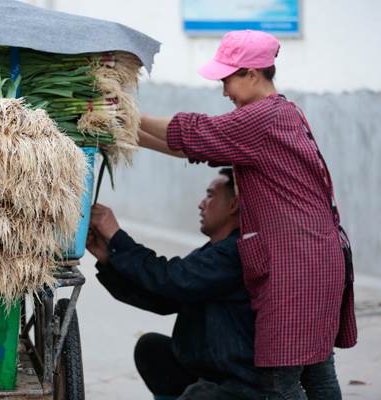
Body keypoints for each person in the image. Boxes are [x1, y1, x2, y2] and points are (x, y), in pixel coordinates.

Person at [138, 30, 355, 398]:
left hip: (297, 264)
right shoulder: (284, 113)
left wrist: (127, 114)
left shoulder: (263, 117)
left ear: (252, 73)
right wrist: (128, 133)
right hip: (318, 258)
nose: (224, 91)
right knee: (317, 370)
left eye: (228, 79)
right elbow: (194, 146)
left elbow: (195, 131)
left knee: (279, 380)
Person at [87, 168, 263, 399]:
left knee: (199, 394)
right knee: (152, 349)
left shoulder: (235, 252)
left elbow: (171, 279)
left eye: (210, 195)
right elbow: (164, 299)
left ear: (234, 205)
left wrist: (117, 237)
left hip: (235, 380)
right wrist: (109, 261)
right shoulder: (214, 250)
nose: (201, 204)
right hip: (205, 369)